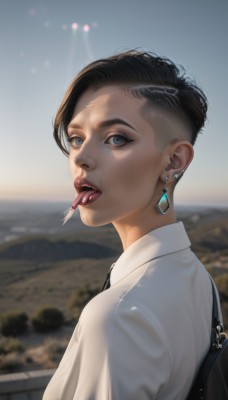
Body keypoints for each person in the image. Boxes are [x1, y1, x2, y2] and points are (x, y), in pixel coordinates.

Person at [43, 50, 220, 400]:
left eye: (116, 138)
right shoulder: (200, 278)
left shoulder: (117, 318)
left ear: (174, 160)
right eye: (76, 138)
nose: (80, 157)